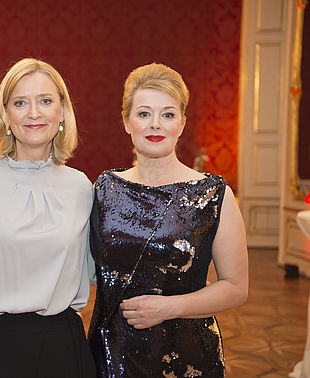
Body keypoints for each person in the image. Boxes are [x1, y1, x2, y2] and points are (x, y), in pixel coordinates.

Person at [87, 63, 249, 377]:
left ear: (182, 123)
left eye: (168, 114)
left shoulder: (213, 195)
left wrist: (168, 308)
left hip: (185, 355)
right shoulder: (104, 189)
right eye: (144, 113)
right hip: (112, 353)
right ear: (126, 122)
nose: (155, 125)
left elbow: (236, 288)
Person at [0, 58, 96, 378]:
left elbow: (102, 271)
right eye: (20, 103)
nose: (34, 113)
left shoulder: (82, 187)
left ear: (61, 112)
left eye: (45, 101)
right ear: (5, 115)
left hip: (62, 346)